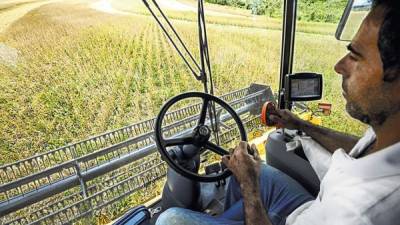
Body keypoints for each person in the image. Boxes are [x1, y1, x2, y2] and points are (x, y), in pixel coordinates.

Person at [156, 0, 400, 224]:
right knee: (240, 173)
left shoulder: (362, 213)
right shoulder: (388, 136)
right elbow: (360, 146)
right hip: (310, 209)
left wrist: (250, 185)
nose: (339, 66)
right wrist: (301, 125)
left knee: (169, 219)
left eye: (356, 56)